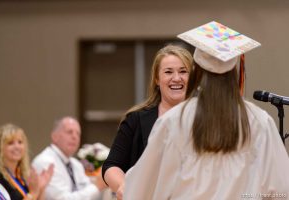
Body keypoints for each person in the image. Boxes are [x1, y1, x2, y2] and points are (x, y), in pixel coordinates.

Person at [124, 22, 289, 199]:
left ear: (196, 71)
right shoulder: (259, 121)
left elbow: (140, 189)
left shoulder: (174, 121)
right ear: (234, 73)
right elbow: (281, 189)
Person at [102, 44, 193, 200]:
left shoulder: (205, 119)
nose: (176, 78)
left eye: (183, 71)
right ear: (157, 79)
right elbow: (111, 166)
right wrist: (124, 186)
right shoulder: (136, 119)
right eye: (168, 72)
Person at [32, 116, 107, 200]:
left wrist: (102, 184)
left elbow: (90, 195)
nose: (74, 137)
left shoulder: (76, 164)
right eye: (69, 132)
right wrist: (97, 186)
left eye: (78, 133)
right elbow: (61, 199)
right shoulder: (45, 162)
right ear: (54, 136)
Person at [0, 123, 54, 200]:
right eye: (10, 143)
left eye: (20, 142)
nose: (17, 147)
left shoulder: (22, 176)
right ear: (0, 147)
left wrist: (41, 189)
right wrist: (33, 193)